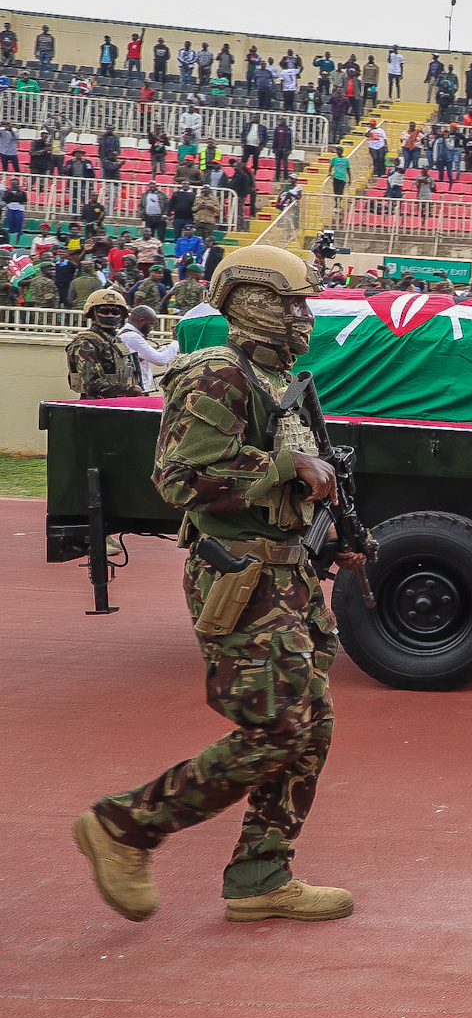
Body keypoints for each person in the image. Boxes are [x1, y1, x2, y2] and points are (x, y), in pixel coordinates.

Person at [74, 246, 363, 925]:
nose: (305, 316)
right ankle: (125, 826)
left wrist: (342, 536)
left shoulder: (277, 384)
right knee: (277, 726)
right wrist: (288, 466)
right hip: (240, 575)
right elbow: (178, 478)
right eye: (294, 303)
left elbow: (293, 481)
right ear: (256, 302)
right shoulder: (216, 373)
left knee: (310, 725)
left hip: (284, 572)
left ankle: (261, 874)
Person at [66, 290, 146, 398]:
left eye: (116, 312)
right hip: (97, 408)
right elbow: (92, 385)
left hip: (121, 405)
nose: (110, 315)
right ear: (92, 313)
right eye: (104, 311)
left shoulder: (116, 341)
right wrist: (130, 389)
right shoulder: (85, 343)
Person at [118, 305, 180, 391]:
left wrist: (168, 347)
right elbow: (160, 360)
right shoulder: (132, 337)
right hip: (137, 390)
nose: (151, 328)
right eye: (151, 325)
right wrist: (175, 342)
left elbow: (150, 354)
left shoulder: (126, 333)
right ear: (142, 321)